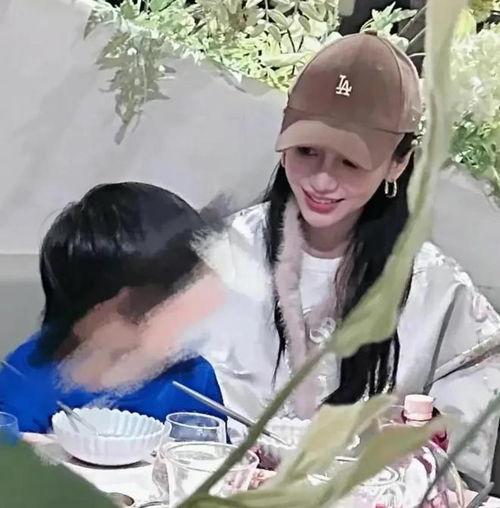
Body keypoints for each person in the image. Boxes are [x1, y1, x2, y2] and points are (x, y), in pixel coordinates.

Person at [194, 32, 500, 484]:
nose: (321, 180)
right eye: (306, 151)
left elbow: (472, 403)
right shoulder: (225, 251)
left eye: (350, 163)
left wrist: (422, 439)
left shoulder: (434, 286)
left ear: (398, 162)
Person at [0, 182, 224, 433]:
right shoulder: (28, 374)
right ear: (78, 313)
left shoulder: (192, 378)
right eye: (137, 310)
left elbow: (209, 451)